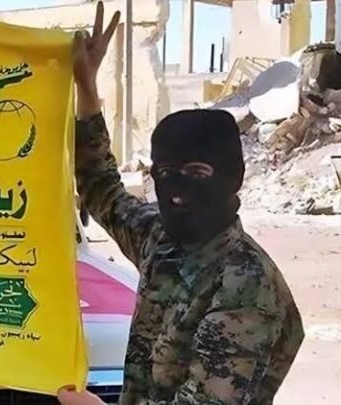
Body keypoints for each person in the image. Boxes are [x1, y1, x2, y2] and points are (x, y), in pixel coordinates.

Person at [59, 2, 304, 404]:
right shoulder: (160, 238)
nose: (175, 191)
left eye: (196, 173)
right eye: (165, 172)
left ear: (233, 178)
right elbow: (101, 188)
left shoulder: (246, 285)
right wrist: (86, 90)